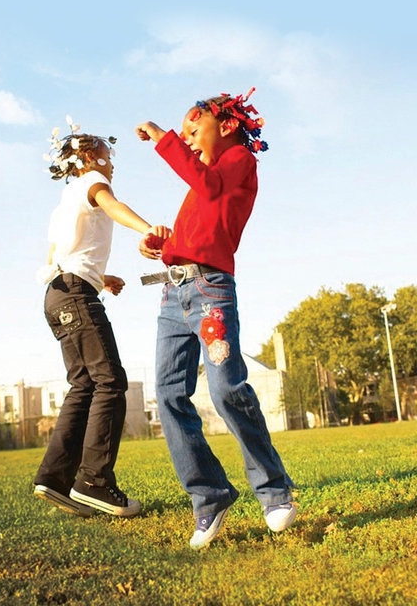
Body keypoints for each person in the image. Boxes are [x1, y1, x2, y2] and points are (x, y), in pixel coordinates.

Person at [135, 88, 297, 548]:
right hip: (173, 294)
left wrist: (163, 138)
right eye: (182, 134)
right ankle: (210, 498)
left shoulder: (239, 162)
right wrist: (159, 247)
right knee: (168, 395)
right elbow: (191, 234)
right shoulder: (200, 184)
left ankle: (274, 490)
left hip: (210, 293)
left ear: (225, 127)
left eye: (192, 129)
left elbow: (208, 187)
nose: (185, 138)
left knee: (226, 387)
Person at [33, 117, 170, 518]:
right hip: (75, 295)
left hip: (56, 294)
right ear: (90, 157)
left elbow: (55, 257)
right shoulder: (93, 181)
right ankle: (94, 482)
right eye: (108, 158)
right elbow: (113, 206)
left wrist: (99, 277)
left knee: (84, 386)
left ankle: (54, 478)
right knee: (110, 381)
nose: (111, 166)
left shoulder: (64, 203)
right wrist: (148, 230)